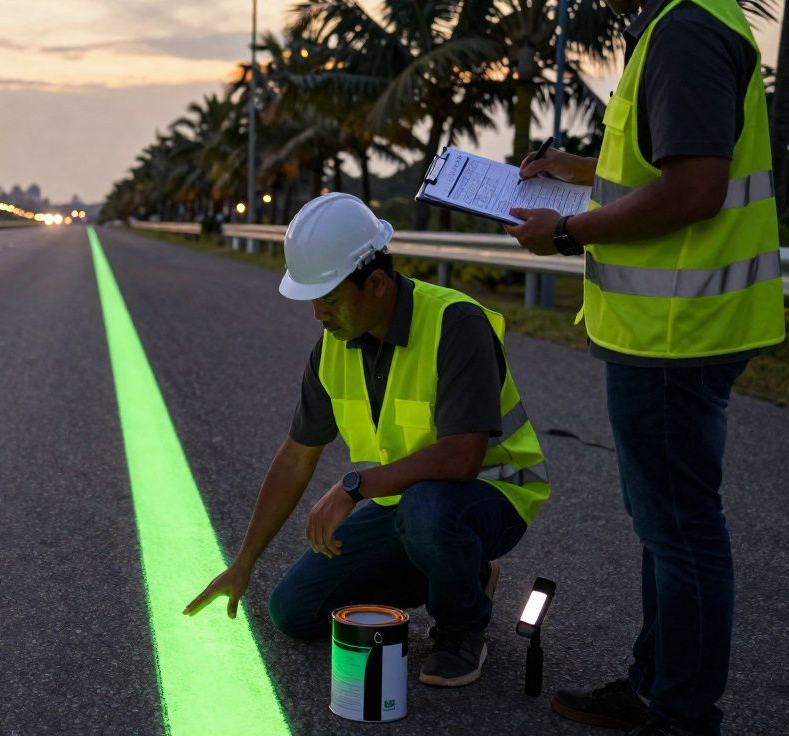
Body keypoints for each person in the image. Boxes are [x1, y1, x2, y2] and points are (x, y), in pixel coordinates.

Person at [504, 0, 785, 731]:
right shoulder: (689, 22)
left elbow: (695, 189)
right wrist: (582, 170)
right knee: (669, 523)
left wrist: (566, 229)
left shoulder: (685, 29)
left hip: (676, 330)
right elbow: (667, 163)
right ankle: (657, 686)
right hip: (678, 326)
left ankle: (681, 714)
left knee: (681, 530)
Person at [184, 192, 550, 688]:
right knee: (293, 611)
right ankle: (464, 572)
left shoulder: (456, 323)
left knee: (429, 511)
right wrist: (244, 562)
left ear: (376, 284)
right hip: (405, 504)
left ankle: (461, 626)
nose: (318, 314)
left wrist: (355, 486)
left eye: (329, 300)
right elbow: (296, 457)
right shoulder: (333, 350)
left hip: (491, 494)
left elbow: (463, 457)